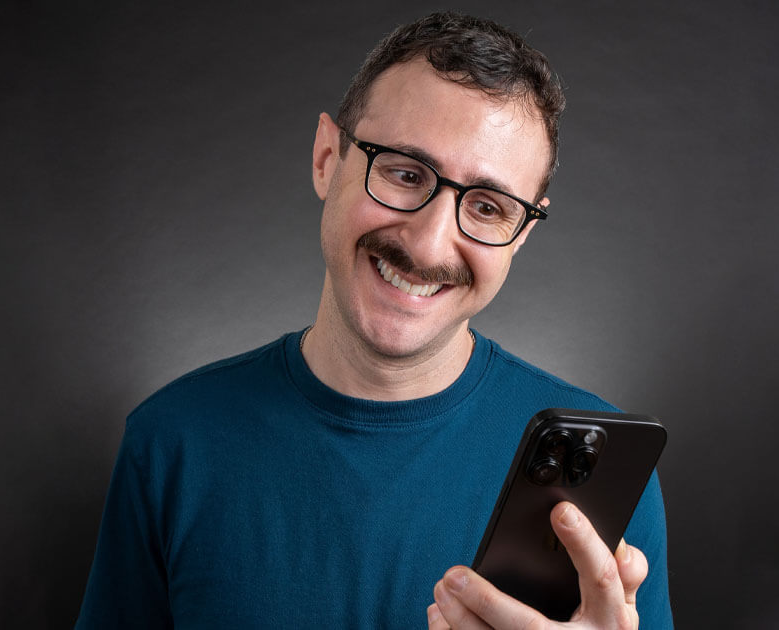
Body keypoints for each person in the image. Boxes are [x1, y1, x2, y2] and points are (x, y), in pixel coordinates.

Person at [76, 11, 672, 629]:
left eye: (489, 206)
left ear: (520, 233)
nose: (431, 243)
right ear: (327, 159)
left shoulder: (605, 484)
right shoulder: (171, 442)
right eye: (405, 173)